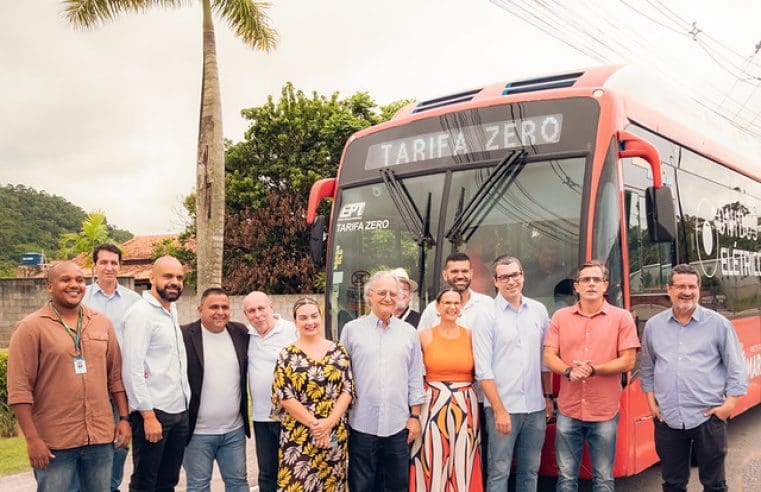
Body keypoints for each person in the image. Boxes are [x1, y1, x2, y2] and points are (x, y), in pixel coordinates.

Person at [7, 262, 131, 491]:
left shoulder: (101, 323)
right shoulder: (31, 328)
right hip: (55, 443)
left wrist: (123, 419)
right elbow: (19, 389)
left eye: (79, 280)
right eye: (66, 280)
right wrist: (33, 440)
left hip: (100, 439)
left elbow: (115, 377)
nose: (74, 285)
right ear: (50, 286)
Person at [639, 264, 748, 492]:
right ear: (669, 290)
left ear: (699, 289)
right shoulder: (654, 326)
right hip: (668, 419)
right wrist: (651, 403)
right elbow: (648, 367)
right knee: (673, 484)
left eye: (692, 286)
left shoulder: (719, 324)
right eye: (680, 286)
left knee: (714, 484)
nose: (686, 291)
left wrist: (728, 406)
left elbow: (736, 368)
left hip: (708, 418)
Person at [543, 261, 640, 492]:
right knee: (566, 477)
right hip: (569, 409)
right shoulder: (560, 317)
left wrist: (594, 369)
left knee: (604, 478)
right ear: (576, 286)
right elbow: (548, 356)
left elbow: (628, 360)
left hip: (604, 410)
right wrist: (569, 371)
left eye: (596, 279)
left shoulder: (622, 318)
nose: (591, 284)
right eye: (586, 280)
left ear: (605, 285)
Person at [340, 271, 426, 491]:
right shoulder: (351, 330)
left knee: (396, 486)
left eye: (392, 293)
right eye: (382, 293)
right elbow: (343, 378)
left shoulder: (409, 333)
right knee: (362, 486)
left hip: (398, 426)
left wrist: (415, 416)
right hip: (361, 424)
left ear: (399, 297)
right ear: (370, 295)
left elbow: (415, 377)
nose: (388, 298)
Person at [473, 256, 553, 492]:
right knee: (499, 471)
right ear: (495, 281)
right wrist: (498, 410)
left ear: (523, 276)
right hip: (502, 408)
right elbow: (483, 369)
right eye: (504, 277)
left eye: (515, 275)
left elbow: (545, 361)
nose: (511, 281)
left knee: (530, 471)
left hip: (535, 408)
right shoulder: (486, 315)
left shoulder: (538, 311)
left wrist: (548, 397)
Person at [121, 256, 191, 492]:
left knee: (168, 481)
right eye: (168, 276)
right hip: (154, 412)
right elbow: (132, 368)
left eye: (179, 277)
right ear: (152, 278)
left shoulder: (171, 310)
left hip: (178, 409)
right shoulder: (141, 313)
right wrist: (148, 416)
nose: (175, 282)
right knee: (145, 482)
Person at [272, 298, 354, 491]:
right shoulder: (287, 354)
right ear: (295, 322)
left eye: (314, 316)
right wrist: (316, 426)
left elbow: (348, 390)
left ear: (321, 317)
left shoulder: (338, 351)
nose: (310, 322)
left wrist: (328, 424)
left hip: (334, 430)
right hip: (298, 432)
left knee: (331, 484)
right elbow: (285, 396)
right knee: (297, 484)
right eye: (303, 318)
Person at [80, 243, 141, 492]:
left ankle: (112, 486)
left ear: (120, 266)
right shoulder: (80, 297)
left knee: (119, 440)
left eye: (114, 262)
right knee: (88, 441)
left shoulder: (133, 301)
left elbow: (140, 338)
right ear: (94, 266)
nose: (109, 267)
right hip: (86, 385)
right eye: (103, 262)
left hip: (120, 385)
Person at [410, 288, 482, 491]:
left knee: (463, 458)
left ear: (461, 308)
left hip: (465, 404)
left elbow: (481, 369)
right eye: (447, 303)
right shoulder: (423, 336)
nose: (452, 307)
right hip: (432, 403)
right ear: (437, 307)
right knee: (432, 456)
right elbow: (414, 374)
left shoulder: (470, 336)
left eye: (456, 303)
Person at [181, 288, 250, 491]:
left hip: (233, 431)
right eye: (214, 307)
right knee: (199, 485)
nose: (220, 311)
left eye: (225, 307)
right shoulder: (184, 335)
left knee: (238, 483)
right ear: (200, 309)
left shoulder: (241, 332)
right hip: (197, 433)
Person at [244, 291, 297, 492]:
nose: (257, 315)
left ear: (271, 307)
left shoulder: (292, 331)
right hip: (261, 417)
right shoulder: (247, 335)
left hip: (292, 416)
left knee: (294, 469)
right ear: (246, 314)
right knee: (267, 473)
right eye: (251, 311)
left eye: (261, 308)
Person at [417, 252, 493, 331]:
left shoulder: (487, 304)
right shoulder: (432, 309)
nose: (460, 276)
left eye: (464, 271)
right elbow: (421, 341)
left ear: (471, 273)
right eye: (454, 271)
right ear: (445, 275)